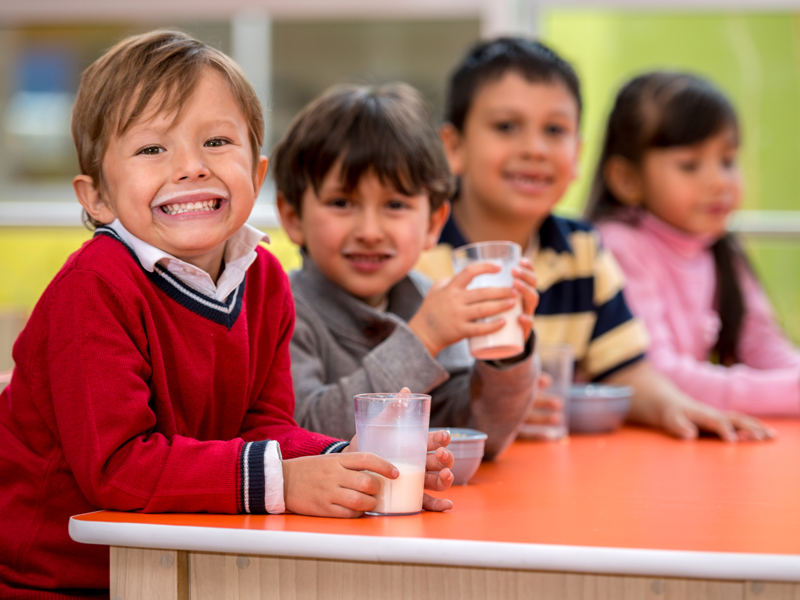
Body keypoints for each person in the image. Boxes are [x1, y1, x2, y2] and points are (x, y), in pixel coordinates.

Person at [0, 31, 453, 599]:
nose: (191, 167)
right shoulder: (92, 288)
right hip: (57, 578)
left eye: (216, 141)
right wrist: (285, 482)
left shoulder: (262, 279)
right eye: (151, 149)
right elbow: (117, 467)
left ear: (257, 174)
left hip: (183, 559)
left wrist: (357, 466)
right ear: (97, 199)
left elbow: (263, 428)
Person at [419, 36, 774, 441]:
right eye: (506, 127)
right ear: (454, 147)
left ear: (577, 154)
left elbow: (626, 368)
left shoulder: (583, 251)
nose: (534, 148)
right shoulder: (418, 254)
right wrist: (492, 408)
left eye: (555, 130)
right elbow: (387, 385)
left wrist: (676, 406)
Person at [273, 83, 540, 459]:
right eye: (341, 202)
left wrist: (506, 357)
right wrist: (423, 338)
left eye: (395, 205)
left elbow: (479, 435)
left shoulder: (424, 299)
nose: (369, 232)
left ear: (433, 223)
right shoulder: (280, 311)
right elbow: (304, 434)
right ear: (292, 217)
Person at [585, 71, 800, 416]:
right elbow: (659, 377)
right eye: (690, 165)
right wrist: (788, 393)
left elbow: (763, 345)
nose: (719, 182)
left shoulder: (717, 246)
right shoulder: (619, 246)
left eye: (728, 161)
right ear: (626, 179)